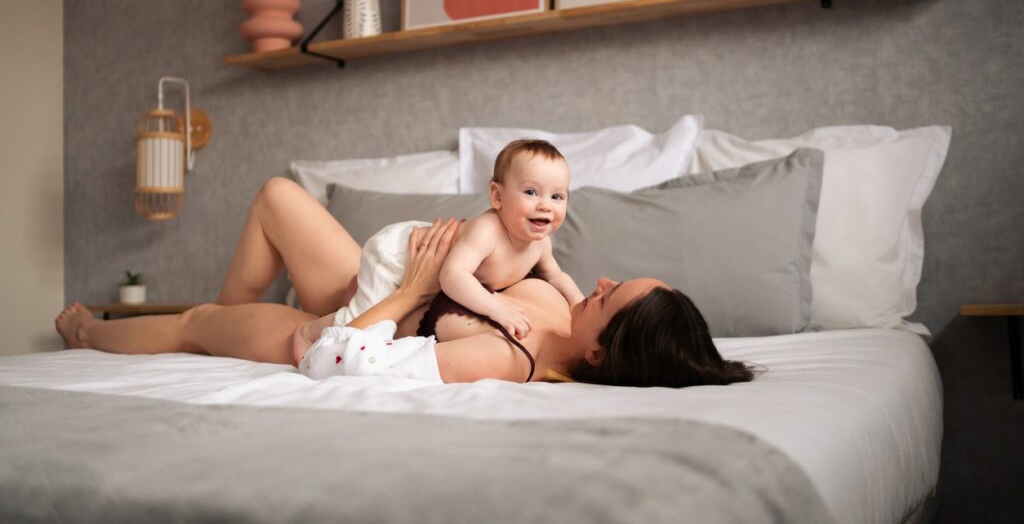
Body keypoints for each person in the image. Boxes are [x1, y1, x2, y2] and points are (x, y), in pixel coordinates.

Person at [55, 177, 753, 387]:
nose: (598, 281)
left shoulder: (509, 356)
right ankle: (234, 329)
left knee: (193, 323)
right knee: (274, 195)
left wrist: (414, 292)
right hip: (376, 283)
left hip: (348, 324)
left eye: (611, 295)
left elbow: (344, 364)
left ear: (600, 352)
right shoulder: (562, 300)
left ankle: (86, 331)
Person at [292, 139, 585, 375]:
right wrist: (496, 308)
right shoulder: (487, 231)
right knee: (364, 324)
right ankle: (310, 333)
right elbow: (452, 276)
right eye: (531, 192)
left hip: (416, 267)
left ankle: (361, 289)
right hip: (398, 254)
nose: (545, 206)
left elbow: (556, 276)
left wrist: (578, 305)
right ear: (497, 197)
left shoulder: (540, 244)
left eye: (557, 197)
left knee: (379, 307)